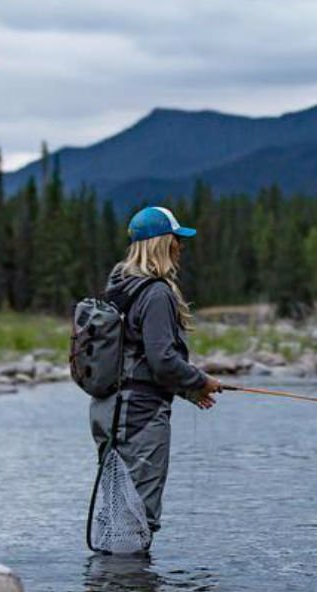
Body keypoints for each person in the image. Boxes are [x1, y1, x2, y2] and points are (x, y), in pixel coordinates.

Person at [90, 206, 223, 538]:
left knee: (118, 511)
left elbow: (136, 358)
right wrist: (202, 380)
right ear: (162, 243)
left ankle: (114, 587)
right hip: (140, 416)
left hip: (108, 411)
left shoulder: (120, 287)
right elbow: (162, 359)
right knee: (137, 518)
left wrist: (187, 391)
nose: (181, 246)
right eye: (177, 239)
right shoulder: (156, 292)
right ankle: (134, 587)